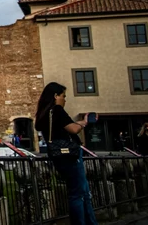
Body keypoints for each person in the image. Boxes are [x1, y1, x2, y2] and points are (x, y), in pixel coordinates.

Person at [35, 82, 97, 225]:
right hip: (70, 155)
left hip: (57, 155)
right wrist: (84, 123)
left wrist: (78, 123)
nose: (65, 99)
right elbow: (73, 129)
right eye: (63, 96)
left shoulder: (44, 113)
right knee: (78, 194)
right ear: (55, 96)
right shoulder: (57, 110)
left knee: (82, 193)